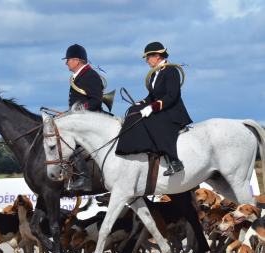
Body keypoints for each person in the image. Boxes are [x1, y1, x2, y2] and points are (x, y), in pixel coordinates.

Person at [115, 41, 192, 176]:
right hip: (160, 109)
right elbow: (152, 96)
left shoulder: (171, 71)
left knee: (152, 120)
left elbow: (172, 96)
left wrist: (153, 107)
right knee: (134, 111)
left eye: (148, 57)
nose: (146, 60)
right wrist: (143, 102)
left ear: (157, 56)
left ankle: (174, 161)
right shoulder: (154, 74)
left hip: (172, 112)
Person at [63, 44, 104, 190]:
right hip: (80, 118)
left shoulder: (90, 75)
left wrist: (77, 110)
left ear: (77, 60)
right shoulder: (79, 76)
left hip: (90, 119)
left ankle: (84, 177)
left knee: (66, 140)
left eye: (68, 60)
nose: (66, 63)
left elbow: (96, 100)